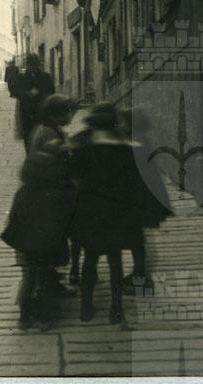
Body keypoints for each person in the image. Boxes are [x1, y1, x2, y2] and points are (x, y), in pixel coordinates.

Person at [69, 102, 168, 326]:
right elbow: (135, 183)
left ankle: (86, 309)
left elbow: (72, 176)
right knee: (115, 261)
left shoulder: (82, 146)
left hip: (90, 211)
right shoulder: (128, 148)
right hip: (117, 213)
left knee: (90, 259)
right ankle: (116, 309)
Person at [1, 94, 77, 331]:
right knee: (42, 275)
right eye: (68, 112)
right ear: (58, 113)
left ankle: (25, 316)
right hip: (44, 233)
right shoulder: (49, 134)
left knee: (30, 275)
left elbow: (14, 221)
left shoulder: (23, 193)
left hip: (25, 241)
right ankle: (45, 316)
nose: (71, 116)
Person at [117, 107, 171, 295]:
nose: (120, 125)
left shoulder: (136, 142)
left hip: (140, 198)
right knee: (140, 238)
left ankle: (142, 280)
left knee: (139, 240)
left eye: (123, 122)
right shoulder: (141, 139)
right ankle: (139, 275)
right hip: (145, 196)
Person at [13, 53, 55, 152]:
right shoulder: (22, 77)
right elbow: (15, 91)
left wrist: (39, 93)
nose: (32, 67)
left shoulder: (45, 77)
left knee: (39, 135)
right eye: (30, 64)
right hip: (27, 111)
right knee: (29, 136)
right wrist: (27, 93)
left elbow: (51, 91)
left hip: (40, 111)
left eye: (34, 64)